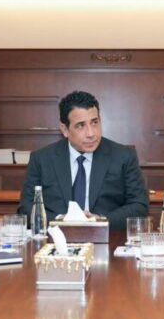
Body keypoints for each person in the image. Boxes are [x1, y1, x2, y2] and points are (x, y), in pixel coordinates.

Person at [18, 90, 148, 230]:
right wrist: (60, 221)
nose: (91, 133)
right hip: (56, 237)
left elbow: (139, 206)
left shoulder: (123, 156)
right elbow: (26, 208)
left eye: (94, 122)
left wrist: (101, 221)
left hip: (107, 237)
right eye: (80, 125)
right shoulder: (42, 159)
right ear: (65, 130)